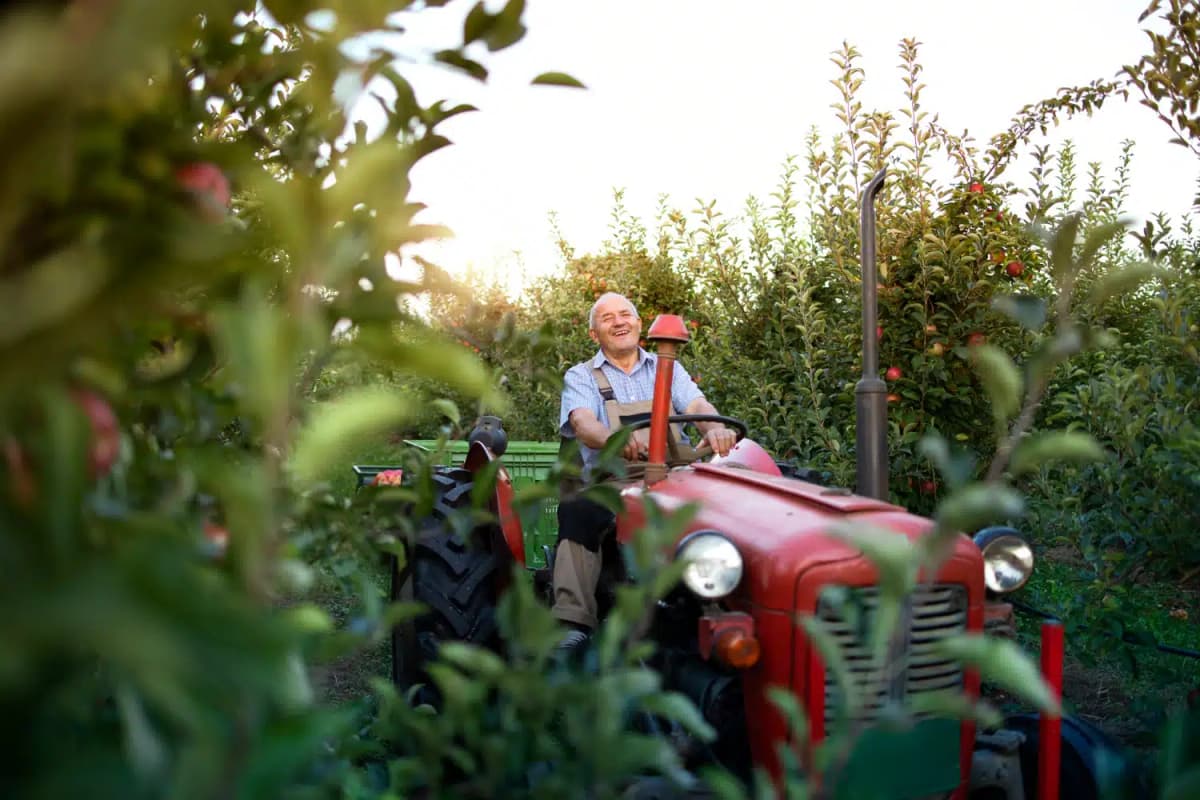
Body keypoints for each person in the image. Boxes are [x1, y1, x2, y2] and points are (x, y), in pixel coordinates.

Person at [552, 292, 737, 648]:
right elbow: (584, 424)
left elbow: (698, 405)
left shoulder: (668, 367)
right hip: (618, 480)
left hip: (679, 476)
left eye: (626, 314)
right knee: (578, 511)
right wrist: (614, 440)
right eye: (607, 318)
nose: (619, 321)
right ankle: (572, 622)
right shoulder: (582, 376)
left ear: (639, 324)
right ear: (594, 334)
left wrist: (716, 431)